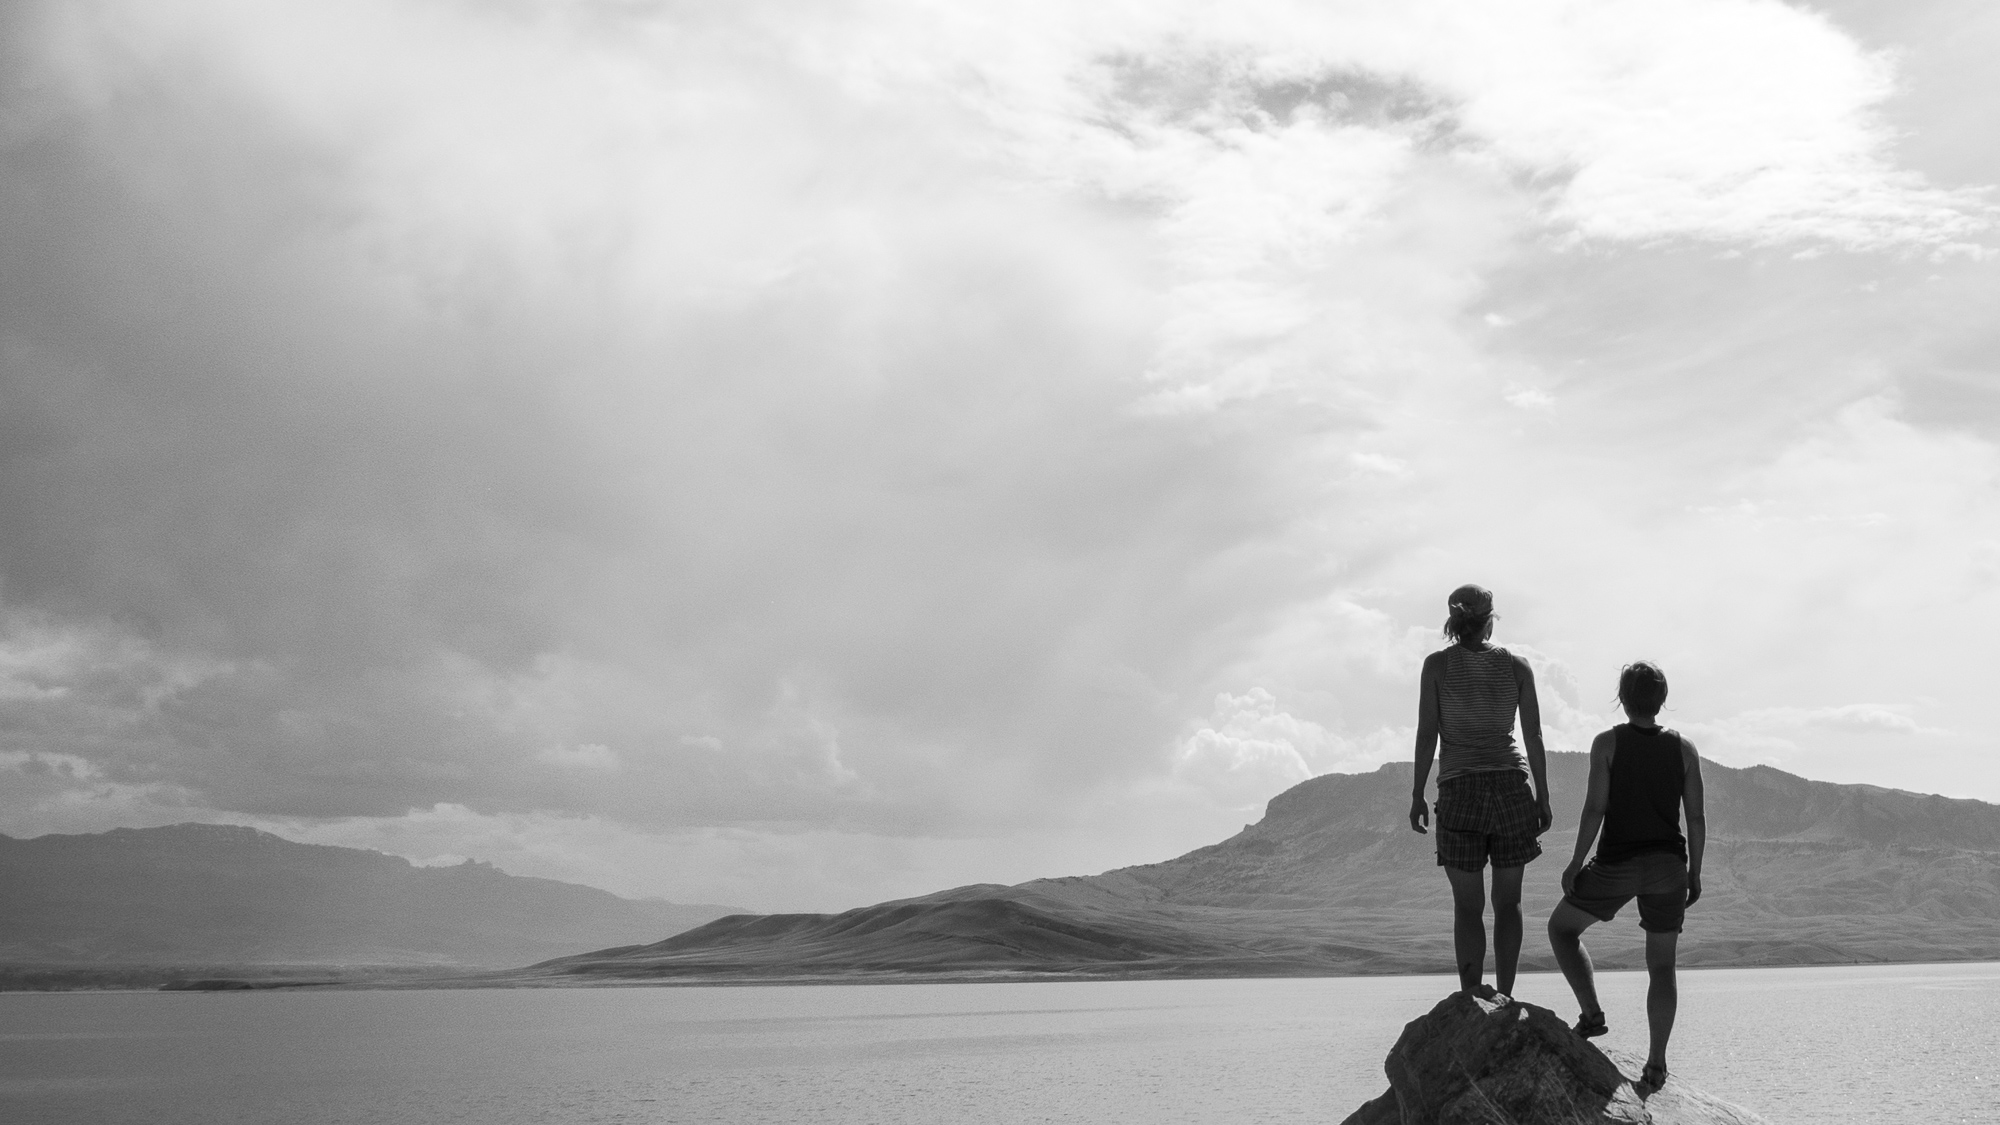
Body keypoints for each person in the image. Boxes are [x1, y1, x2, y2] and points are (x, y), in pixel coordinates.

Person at [1546, 660, 1706, 1093]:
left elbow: (1595, 808)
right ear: (1662, 700)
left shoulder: (1607, 744)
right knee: (1662, 967)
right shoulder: (1684, 749)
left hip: (1615, 865)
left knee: (1561, 929)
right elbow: (1695, 817)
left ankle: (1593, 1015)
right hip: (1667, 867)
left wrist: (1576, 862)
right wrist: (1694, 872)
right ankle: (1656, 1065)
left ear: (1622, 696)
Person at [1409, 584, 1554, 997]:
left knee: (1468, 906)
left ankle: (1473, 994)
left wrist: (1417, 794)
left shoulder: (1437, 666)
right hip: (1510, 786)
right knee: (1509, 902)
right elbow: (1534, 736)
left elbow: (1427, 735)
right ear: (1490, 619)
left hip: (1459, 789)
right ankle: (1505, 995)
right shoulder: (1518, 667)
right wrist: (1542, 795)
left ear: (1453, 621)